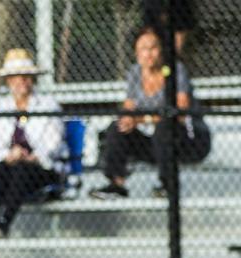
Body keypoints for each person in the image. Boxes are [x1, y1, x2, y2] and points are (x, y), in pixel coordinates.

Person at [90, 26, 210, 200]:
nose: (148, 54)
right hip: (158, 145)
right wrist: (128, 121)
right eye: (143, 49)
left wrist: (140, 119)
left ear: (161, 50)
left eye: (153, 48)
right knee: (117, 127)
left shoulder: (175, 70)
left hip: (188, 142)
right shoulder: (134, 73)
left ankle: (168, 185)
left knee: (165, 125)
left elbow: (180, 111)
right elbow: (129, 108)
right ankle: (116, 184)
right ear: (136, 53)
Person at [0, 49, 65, 239]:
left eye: (26, 76)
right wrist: (10, 155)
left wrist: (33, 156)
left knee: (22, 170)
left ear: (33, 78)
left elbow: (53, 145)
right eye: (15, 77)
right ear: (8, 81)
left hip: (43, 167)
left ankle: (3, 224)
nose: (21, 81)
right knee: (2, 170)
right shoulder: (3, 108)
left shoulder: (48, 105)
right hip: (11, 166)